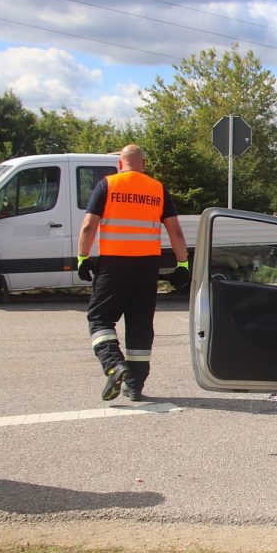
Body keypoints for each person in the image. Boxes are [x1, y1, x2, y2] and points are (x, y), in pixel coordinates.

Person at [76, 144, 189, 402]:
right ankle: (134, 385)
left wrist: (83, 258)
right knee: (140, 325)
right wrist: (182, 264)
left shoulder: (108, 185)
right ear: (144, 165)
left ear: (119, 164)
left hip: (114, 265)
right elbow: (176, 231)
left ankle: (114, 365)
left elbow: (88, 226)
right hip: (147, 267)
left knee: (100, 319)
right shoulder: (157, 188)